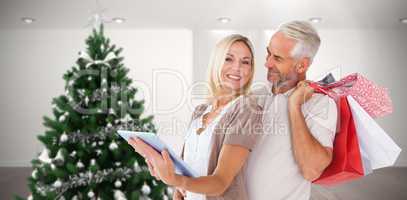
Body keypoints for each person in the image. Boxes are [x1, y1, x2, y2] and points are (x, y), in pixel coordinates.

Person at [128, 34, 263, 200]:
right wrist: (166, 172)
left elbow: (221, 182)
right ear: (216, 62)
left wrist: (174, 179)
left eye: (245, 62)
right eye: (229, 59)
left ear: (251, 70)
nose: (237, 67)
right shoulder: (200, 111)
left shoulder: (247, 110)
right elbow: (185, 172)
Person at [246, 20, 338, 200]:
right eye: (268, 54)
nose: (267, 63)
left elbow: (312, 170)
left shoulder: (320, 104)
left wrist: (294, 106)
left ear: (302, 65)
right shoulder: (255, 97)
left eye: (278, 58)